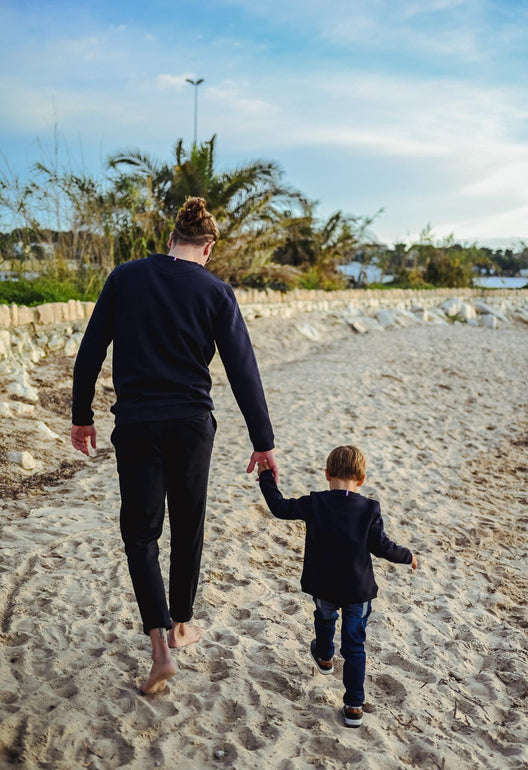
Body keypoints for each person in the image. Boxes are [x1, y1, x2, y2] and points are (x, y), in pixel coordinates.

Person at [71, 197, 277, 695]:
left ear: (170, 240)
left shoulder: (124, 278)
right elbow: (242, 369)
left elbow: (90, 351)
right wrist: (262, 441)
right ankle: (181, 624)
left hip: (136, 424)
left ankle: (160, 649)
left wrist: (82, 417)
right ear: (207, 248)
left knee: (140, 534)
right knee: (188, 526)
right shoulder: (216, 291)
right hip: (191, 426)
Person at [257, 445, 417, 728]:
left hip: (324, 586)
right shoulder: (369, 508)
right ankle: (354, 706)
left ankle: (324, 656)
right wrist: (408, 556)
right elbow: (382, 546)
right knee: (354, 646)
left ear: (327, 474)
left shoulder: (316, 502)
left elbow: (280, 507)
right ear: (362, 479)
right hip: (358, 590)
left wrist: (267, 477)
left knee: (325, 617)